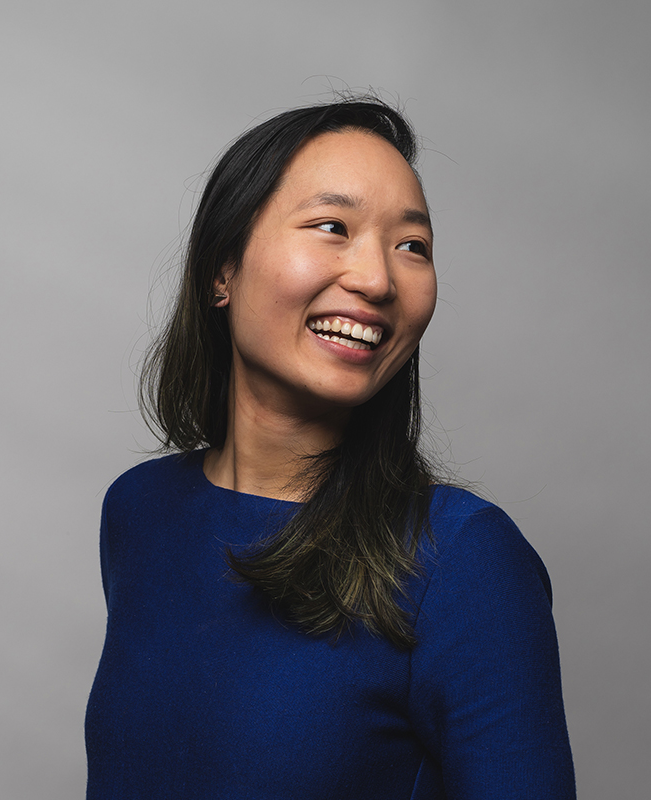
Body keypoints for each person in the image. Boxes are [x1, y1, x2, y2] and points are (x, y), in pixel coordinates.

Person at [85, 97, 577, 799]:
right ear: (223, 269)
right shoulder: (140, 511)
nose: (377, 279)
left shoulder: (463, 561)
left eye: (413, 246)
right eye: (331, 227)